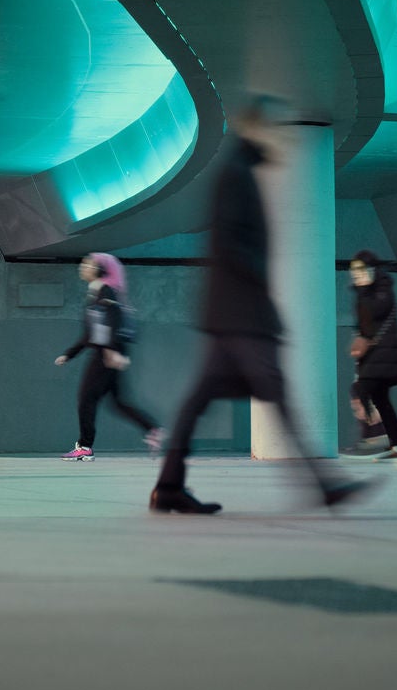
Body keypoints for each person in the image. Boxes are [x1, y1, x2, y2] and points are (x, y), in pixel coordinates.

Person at [150, 98, 373, 515]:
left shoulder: (239, 171)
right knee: (277, 397)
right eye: (279, 126)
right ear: (258, 128)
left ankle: (169, 487)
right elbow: (232, 246)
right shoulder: (236, 175)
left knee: (198, 402)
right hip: (242, 314)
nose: (286, 134)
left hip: (232, 312)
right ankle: (324, 486)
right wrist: (263, 293)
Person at [55, 252, 162, 460]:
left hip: (106, 352)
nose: (83, 267)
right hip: (108, 350)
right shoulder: (97, 292)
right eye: (84, 263)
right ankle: (152, 429)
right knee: (118, 401)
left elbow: (113, 320)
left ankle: (84, 447)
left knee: (86, 398)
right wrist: (69, 354)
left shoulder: (105, 291)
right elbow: (89, 334)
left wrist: (111, 350)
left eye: (89, 264)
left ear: (101, 269)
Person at [348, 250, 397, 460]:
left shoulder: (382, 288)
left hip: (383, 353)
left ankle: (373, 438)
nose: (356, 274)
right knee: (381, 400)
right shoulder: (363, 292)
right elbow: (363, 326)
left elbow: (377, 310)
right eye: (353, 270)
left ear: (371, 269)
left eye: (361, 269)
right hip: (374, 355)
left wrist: (365, 289)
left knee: (365, 390)